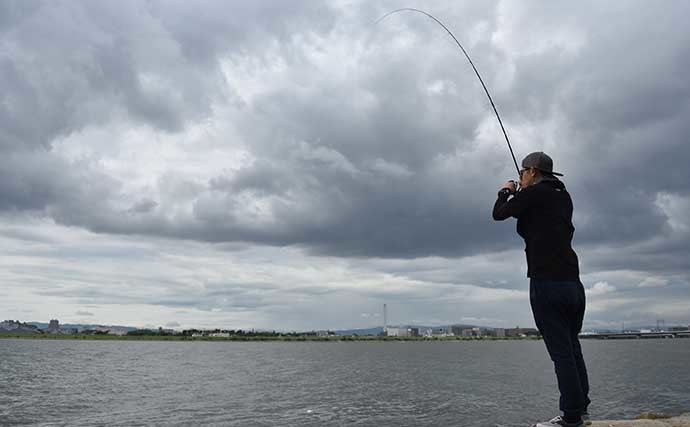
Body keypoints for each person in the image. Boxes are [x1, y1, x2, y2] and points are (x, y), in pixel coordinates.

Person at [492, 152, 591, 427]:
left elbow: (499, 214)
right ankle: (581, 409)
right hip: (573, 283)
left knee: (561, 353)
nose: (520, 177)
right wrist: (522, 194)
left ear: (533, 172)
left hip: (547, 283)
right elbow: (534, 216)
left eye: (523, 172)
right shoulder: (563, 196)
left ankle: (571, 418)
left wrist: (506, 191)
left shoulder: (533, 194)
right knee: (572, 348)